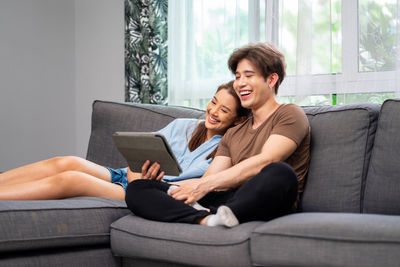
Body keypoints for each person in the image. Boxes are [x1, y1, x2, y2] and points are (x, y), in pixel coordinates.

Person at [125, 43, 311, 227]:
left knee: (280, 172)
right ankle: (206, 219)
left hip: (267, 201)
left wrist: (203, 186)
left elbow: (267, 160)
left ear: (271, 80)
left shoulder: (290, 114)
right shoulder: (233, 133)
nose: (240, 83)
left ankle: (226, 213)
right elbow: (212, 178)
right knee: (138, 188)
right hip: (226, 201)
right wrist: (172, 186)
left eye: (249, 75)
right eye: (237, 77)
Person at [0, 81, 249, 201]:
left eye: (224, 110)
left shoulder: (225, 154)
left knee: (71, 179)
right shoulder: (184, 126)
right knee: (66, 162)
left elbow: (198, 188)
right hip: (126, 178)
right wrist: (135, 173)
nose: (213, 111)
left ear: (237, 120)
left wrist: (144, 183)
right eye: (214, 102)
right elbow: (137, 158)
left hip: (148, 194)